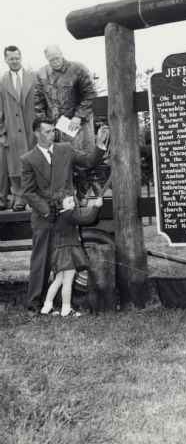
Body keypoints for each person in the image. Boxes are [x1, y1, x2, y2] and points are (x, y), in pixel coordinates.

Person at [21, 118, 109, 313]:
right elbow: (29, 192)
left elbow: (88, 161)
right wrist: (48, 211)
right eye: (47, 132)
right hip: (44, 218)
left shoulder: (66, 149)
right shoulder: (28, 160)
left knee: (66, 258)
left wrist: (99, 143)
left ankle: (60, 303)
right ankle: (34, 303)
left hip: (67, 217)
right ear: (36, 134)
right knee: (41, 261)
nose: (52, 134)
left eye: (53, 131)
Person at [35, 45, 96, 202]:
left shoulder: (78, 68)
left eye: (57, 58)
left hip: (76, 124)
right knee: (58, 163)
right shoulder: (41, 74)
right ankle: (64, 198)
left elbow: (90, 94)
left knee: (80, 159)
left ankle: (83, 194)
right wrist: (44, 124)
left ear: (62, 54)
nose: (55, 62)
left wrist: (79, 116)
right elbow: (38, 101)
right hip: (54, 127)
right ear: (46, 59)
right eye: (51, 59)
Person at [40, 190, 103, 317]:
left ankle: (46, 308)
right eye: (69, 201)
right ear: (59, 204)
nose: (73, 203)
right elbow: (88, 220)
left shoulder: (57, 215)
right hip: (68, 252)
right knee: (68, 281)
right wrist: (96, 206)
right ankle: (66, 309)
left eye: (72, 200)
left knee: (58, 280)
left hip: (59, 251)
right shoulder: (68, 214)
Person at [0, 46, 36, 211]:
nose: (14, 61)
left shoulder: (33, 77)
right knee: (15, 167)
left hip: (33, 129)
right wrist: (1, 132)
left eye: (17, 58)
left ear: (21, 57)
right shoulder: (2, 82)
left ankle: (37, 198)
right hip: (12, 130)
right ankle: (19, 199)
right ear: (5, 60)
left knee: (37, 164)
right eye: (11, 58)